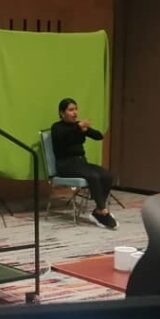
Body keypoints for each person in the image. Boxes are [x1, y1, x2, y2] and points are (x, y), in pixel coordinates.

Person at [50, 97, 118, 229]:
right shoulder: (57, 127)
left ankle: (98, 210)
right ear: (62, 113)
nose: (75, 112)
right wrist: (77, 128)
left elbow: (99, 136)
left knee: (107, 175)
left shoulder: (78, 126)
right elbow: (63, 139)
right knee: (93, 176)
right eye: (71, 110)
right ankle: (103, 211)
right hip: (65, 164)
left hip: (80, 163)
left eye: (76, 109)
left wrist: (86, 129)